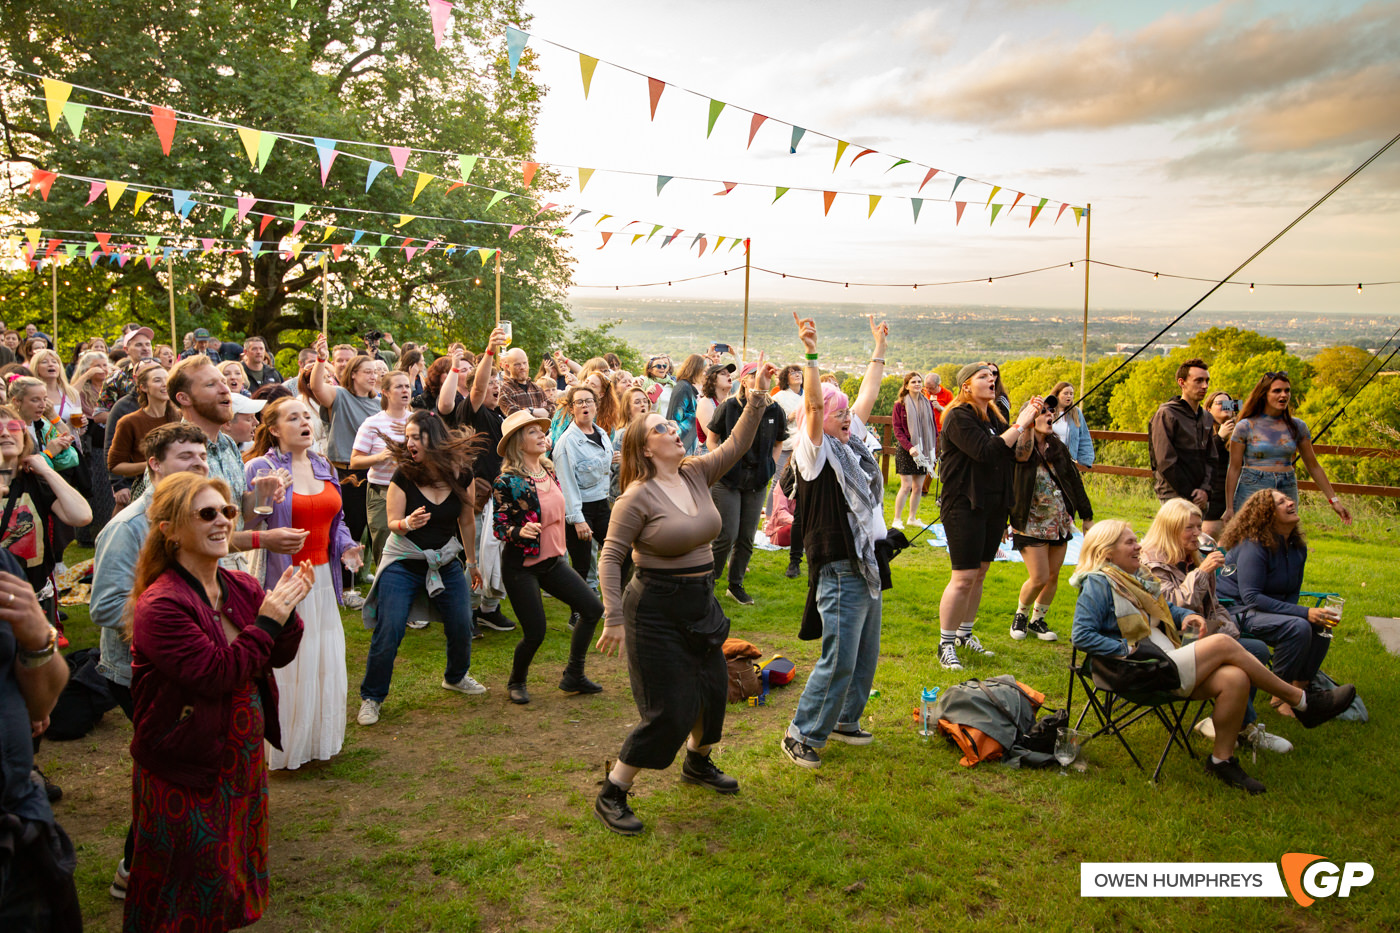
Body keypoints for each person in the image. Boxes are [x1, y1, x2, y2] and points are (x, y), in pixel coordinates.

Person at [593, 352, 776, 834]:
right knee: (669, 709)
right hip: (654, 609)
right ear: (645, 448)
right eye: (660, 429)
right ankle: (614, 790)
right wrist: (613, 616)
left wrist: (756, 396)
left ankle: (697, 764)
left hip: (700, 601)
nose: (672, 431)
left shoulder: (695, 472)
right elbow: (610, 557)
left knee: (713, 693)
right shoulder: (637, 498)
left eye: (672, 428)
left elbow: (737, 444)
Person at [123, 472, 311, 932]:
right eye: (207, 513)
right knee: (183, 880)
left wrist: (286, 616)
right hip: (185, 761)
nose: (224, 522)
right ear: (169, 529)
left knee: (228, 874)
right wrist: (268, 621)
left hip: (239, 757)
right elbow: (214, 674)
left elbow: (277, 654)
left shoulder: (239, 587)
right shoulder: (162, 604)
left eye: (227, 512)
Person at [1069, 520, 1353, 794]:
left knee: (1236, 678)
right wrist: (1126, 650)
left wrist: (1188, 614)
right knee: (1221, 643)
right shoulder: (1099, 583)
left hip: (1165, 663)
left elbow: (1165, 608)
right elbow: (1081, 635)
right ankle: (1301, 701)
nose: (1138, 547)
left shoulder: (1135, 579)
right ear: (1107, 551)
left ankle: (1221, 761)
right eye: (1130, 542)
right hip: (1138, 671)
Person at [91, 422, 212, 898]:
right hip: (138, 671)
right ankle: (132, 871)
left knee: (184, 764)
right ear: (154, 465)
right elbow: (103, 606)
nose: (199, 465)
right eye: (186, 457)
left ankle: (184, 856)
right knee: (166, 771)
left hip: (186, 666)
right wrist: (173, 628)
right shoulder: (128, 527)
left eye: (202, 457)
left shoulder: (192, 515)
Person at [775, 315, 889, 771]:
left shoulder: (852, 444)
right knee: (839, 655)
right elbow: (819, 409)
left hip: (868, 563)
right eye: (840, 413)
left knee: (864, 654)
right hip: (840, 565)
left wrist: (878, 347)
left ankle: (844, 719)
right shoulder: (815, 449)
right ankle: (800, 733)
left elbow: (868, 395)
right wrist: (812, 356)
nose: (848, 418)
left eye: (847, 413)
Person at [245, 398, 363, 767]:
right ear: (275, 429)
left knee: (323, 658)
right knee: (289, 662)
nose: (304, 422)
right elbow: (249, 524)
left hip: (323, 579)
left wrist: (346, 546)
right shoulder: (259, 467)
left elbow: (337, 518)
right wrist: (265, 495)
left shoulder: (323, 464)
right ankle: (282, 748)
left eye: (306, 416)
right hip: (283, 578)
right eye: (292, 417)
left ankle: (316, 741)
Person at [358, 411, 485, 725]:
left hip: (443, 560)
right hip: (404, 561)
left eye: (417, 437)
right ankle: (372, 697)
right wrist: (407, 523)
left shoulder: (462, 474)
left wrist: (471, 562)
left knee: (461, 621)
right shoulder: (404, 474)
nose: (409, 443)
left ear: (434, 439)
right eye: (408, 436)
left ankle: (455, 677)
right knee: (391, 627)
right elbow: (391, 523)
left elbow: (466, 522)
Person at [1140, 497, 1292, 754]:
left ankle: (1228, 721)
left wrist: (1227, 628)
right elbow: (1171, 607)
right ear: (1170, 527)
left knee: (1256, 650)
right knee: (1246, 658)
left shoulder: (1192, 556)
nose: (1198, 534)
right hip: (1172, 640)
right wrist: (1202, 573)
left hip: (1201, 633)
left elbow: (1214, 603)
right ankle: (1245, 725)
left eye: (1199, 526)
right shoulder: (1150, 563)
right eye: (1190, 528)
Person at [493, 411, 606, 704]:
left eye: (540, 430)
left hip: (554, 562)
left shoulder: (548, 469)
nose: (541, 435)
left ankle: (574, 675)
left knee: (592, 609)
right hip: (522, 567)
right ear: (518, 443)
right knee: (536, 632)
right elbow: (500, 526)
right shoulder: (507, 481)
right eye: (532, 432)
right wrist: (520, 531)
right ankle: (516, 681)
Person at [936, 363, 1041, 670]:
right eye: (983, 376)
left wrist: (1028, 426)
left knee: (980, 573)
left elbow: (1018, 455)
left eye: (992, 376)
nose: (991, 379)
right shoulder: (957, 416)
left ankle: (965, 634)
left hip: (994, 504)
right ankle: (945, 643)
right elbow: (986, 451)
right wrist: (1018, 425)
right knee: (964, 575)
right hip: (963, 504)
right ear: (966, 385)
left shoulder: (995, 416)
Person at [0, 544, 78, 928]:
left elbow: (40, 706)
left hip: (18, 816)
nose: (1, 491)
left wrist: (36, 642)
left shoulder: (2, 565)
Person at [1218, 489, 1340, 717]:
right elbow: (1251, 597)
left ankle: (1300, 689)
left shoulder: (1297, 548)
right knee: (1298, 626)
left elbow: (1292, 593)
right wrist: (1302, 614)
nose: (1290, 502)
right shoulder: (1253, 546)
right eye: (1281, 502)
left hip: (1263, 611)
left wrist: (1299, 613)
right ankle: (1280, 693)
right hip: (1235, 612)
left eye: (1288, 498)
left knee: (1323, 625)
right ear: (1267, 514)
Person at [439, 329, 515, 634]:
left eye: (498, 383)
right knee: (474, 557)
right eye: (490, 384)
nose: (494, 387)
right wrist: (489, 352)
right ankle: (467, 613)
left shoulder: (499, 417)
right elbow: (478, 386)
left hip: (499, 495)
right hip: (477, 496)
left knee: (495, 555)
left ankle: (488, 609)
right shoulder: (470, 413)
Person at [1008, 400, 1093, 642]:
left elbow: (1075, 482)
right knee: (1039, 577)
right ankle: (1021, 616)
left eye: (1051, 412)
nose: (1050, 415)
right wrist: (1026, 425)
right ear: (1030, 418)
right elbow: (1019, 462)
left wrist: (1087, 516)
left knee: (1053, 576)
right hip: (1029, 522)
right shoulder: (1020, 446)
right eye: (1043, 412)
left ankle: (1037, 620)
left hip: (1058, 522)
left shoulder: (1058, 447)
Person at [707, 361, 788, 606]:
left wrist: (770, 466)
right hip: (728, 479)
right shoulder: (729, 407)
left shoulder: (776, 410)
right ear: (744, 381)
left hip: (757, 480)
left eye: (766, 376)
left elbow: (778, 443)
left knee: (746, 536)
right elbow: (711, 439)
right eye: (755, 376)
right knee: (726, 534)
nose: (762, 379)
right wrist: (722, 461)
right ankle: (707, 583)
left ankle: (736, 584)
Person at [1225, 372, 1350, 524]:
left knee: (1285, 538)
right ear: (1264, 394)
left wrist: (1334, 501)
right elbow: (1234, 468)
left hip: (1287, 485)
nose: (1283, 395)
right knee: (1252, 540)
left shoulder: (1298, 426)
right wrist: (1230, 507)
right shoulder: (1245, 426)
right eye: (1277, 391)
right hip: (1254, 486)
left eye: (1287, 390)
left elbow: (1314, 466)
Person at [310, 335, 380, 607]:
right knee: (345, 530)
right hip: (344, 473)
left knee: (365, 529)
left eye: (375, 372)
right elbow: (317, 388)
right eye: (368, 372)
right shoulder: (339, 396)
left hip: (372, 474)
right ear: (353, 375)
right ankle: (344, 588)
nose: (373, 376)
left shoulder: (378, 403)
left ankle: (357, 581)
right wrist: (321, 360)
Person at [0, 403, 91, 600]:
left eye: (14, 427)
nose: (6, 433)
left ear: (24, 437)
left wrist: (47, 470)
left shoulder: (35, 480)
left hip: (35, 596)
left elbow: (82, 516)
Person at [551, 385, 614, 612]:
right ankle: (577, 613)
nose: (585, 405)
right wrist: (577, 519)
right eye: (579, 402)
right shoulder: (566, 443)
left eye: (589, 401)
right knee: (581, 565)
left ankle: (611, 602)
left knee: (616, 551)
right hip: (580, 509)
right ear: (571, 408)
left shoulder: (601, 433)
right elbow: (566, 484)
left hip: (602, 504)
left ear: (596, 405)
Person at [350, 370, 413, 565]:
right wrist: (380, 457)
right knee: (383, 544)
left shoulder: (417, 420)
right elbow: (354, 461)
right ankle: (384, 584)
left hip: (411, 489)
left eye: (407, 386)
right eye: (399, 386)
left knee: (411, 543)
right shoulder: (373, 423)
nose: (405, 390)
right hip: (381, 491)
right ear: (385, 392)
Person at [1148, 358, 1214, 508]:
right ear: (1182, 382)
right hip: (1174, 495)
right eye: (1198, 381)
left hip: (1201, 496)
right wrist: (1191, 493)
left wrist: (1205, 490)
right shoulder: (1167, 414)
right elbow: (1165, 461)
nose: (1205, 386)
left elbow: (1212, 458)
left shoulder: (1207, 417)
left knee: (1196, 532)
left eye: (1207, 381)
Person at [107, 364, 178, 481]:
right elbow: (115, 466)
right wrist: (154, 465)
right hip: (147, 487)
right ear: (144, 387)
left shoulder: (182, 417)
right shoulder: (129, 422)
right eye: (157, 380)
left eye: (167, 379)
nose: (165, 384)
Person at [891, 372, 936, 530]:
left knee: (918, 487)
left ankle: (912, 518)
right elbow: (897, 430)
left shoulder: (927, 403)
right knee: (906, 486)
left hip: (924, 449)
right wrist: (910, 447)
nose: (917, 384)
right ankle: (897, 519)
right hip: (907, 449)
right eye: (913, 382)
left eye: (919, 381)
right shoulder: (900, 405)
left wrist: (933, 448)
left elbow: (932, 427)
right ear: (906, 385)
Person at [1201, 390, 1237, 537]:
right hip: (1214, 494)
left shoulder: (1241, 430)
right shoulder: (1202, 429)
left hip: (1236, 493)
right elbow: (1200, 457)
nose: (1225, 406)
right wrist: (1220, 437)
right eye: (1219, 403)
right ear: (1209, 408)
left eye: (1229, 403)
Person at [665, 354, 707, 455]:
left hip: (688, 444)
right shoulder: (683, 388)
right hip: (680, 445)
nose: (705, 373)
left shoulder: (689, 387)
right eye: (703, 370)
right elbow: (674, 419)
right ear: (696, 369)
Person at [1047, 381, 1095, 468]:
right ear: (1057, 395)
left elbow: (1084, 437)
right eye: (1065, 393)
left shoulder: (1076, 413)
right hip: (1049, 459)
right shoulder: (1048, 411)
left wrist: (1085, 461)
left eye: (1071, 394)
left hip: (1068, 461)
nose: (1069, 396)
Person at [498, 347, 549, 417]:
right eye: (517, 364)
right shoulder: (505, 390)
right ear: (507, 367)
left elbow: (551, 410)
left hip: (541, 428)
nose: (522, 367)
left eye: (525, 363)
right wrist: (541, 412)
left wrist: (530, 410)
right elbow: (517, 416)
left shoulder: (537, 388)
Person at [696, 363, 734, 453]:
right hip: (711, 458)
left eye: (729, 373)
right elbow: (712, 439)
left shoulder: (731, 402)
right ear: (712, 380)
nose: (728, 375)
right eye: (723, 373)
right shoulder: (705, 403)